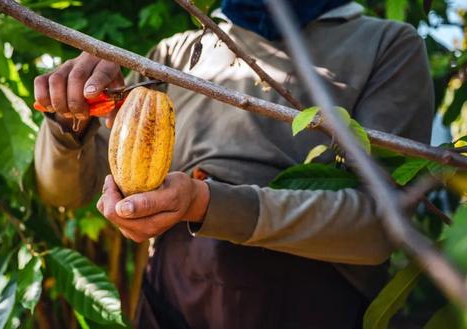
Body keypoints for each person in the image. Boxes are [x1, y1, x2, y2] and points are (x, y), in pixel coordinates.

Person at [33, 0, 433, 328]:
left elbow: (380, 227)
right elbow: (65, 191)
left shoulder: (386, 44)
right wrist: (70, 120)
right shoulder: (175, 54)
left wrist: (206, 204)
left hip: (308, 305)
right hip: (173, 299)